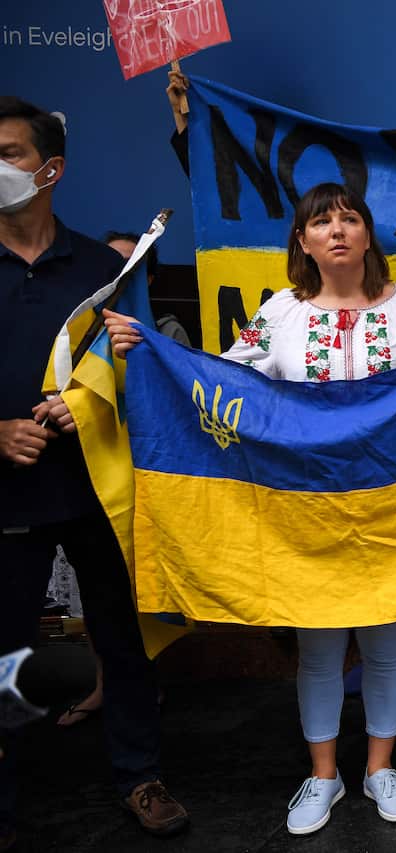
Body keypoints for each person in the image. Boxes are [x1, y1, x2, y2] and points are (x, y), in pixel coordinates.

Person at [107, 183, 396, 835]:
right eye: (321, 220)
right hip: (305, 510)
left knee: (387, 641)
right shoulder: (279, 312)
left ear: (368, 236)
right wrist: (154, 355)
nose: (337, 228)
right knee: (320, 645)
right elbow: (224, 381)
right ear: (301, 241)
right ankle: (324, 774)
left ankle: (381, 767)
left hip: (390, 505)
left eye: (350, 217)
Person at [0, 97, 189, 843]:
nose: (0, 166)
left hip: (100, 492)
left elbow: (144, 368)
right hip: (9, 500)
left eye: (11, 153)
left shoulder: (106, 267)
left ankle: (140, 777)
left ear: (51, 169)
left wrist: (102, 396)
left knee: (123, 638)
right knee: (7, 656)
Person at [57, 232, 186, 728]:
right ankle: (102, 685)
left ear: (146, 278)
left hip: (135, 477)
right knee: (92, 597)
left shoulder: (165, 333)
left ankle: (138, 694)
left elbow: (177, 395)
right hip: (63, 473)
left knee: (123, 591)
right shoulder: (73, 330)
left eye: (124, 267)